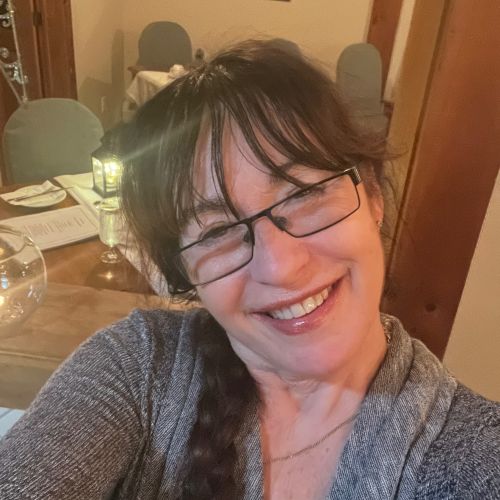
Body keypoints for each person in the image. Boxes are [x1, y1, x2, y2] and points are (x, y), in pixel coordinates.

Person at [0, 39, 499, 500]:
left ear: (372, 197)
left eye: (304, 195)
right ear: (183, 272)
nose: (280, 266)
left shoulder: (475, 458)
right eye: (217, 231)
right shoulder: (138, 367)